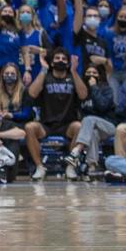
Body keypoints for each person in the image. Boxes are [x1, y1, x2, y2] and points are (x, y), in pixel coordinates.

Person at [26, 47, 87, 181]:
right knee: (29, 127)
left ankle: (70, 166)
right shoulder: (46, 77)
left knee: (79, 126)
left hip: (67, 124)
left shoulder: (73, 77)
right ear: (52, 62)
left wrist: (74, 71)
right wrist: (43, 69)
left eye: (64, 59)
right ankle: (39, 167)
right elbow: (32, 93)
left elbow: (83, 95)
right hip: (47, 124)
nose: (61, 61)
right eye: (57, 58)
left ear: (68, 63)